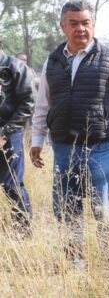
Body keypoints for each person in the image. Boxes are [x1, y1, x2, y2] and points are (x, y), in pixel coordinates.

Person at [30, 0, 109, 264]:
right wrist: (37, 140)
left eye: (85, 23)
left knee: (104, 209)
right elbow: (43, 105)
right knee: (66, 210)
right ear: (63, 27)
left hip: (100, 149)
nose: (80, 29)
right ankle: (76, 265)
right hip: (62, 149)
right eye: (74, 24)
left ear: (93, 25)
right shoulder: (53, 61)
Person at [0, 42, 35, 233]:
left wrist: (4, 133)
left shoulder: (16, 67)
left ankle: (23, 233)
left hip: (9, 133)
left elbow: (28, 102)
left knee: (11, 185)